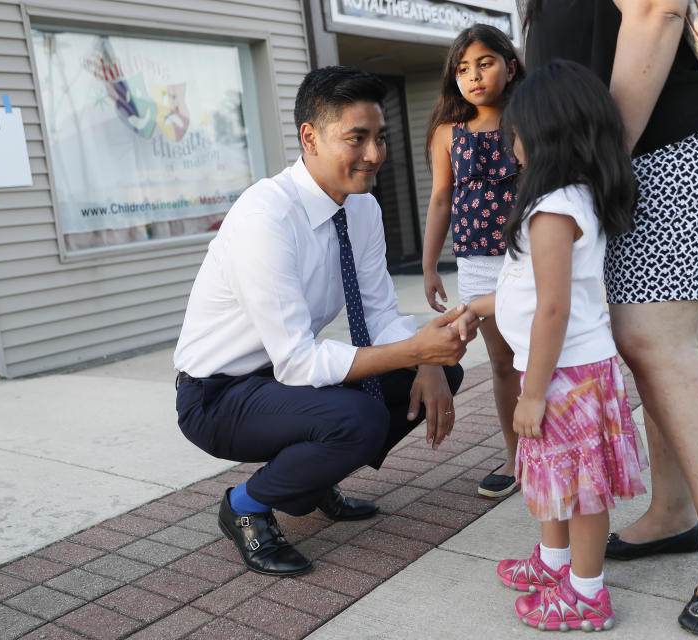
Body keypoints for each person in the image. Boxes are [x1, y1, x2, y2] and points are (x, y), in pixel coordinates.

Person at [523, 1, 698, 635]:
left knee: (653, 337)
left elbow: (656, 9)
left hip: (668, 136)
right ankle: (672, 512)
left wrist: (603, 161)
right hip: (627, 145)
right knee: (641, 342)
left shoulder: (620, 148)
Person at [173, 66, 480, 577]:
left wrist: (428, 357)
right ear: (309, 138)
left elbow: (380, 313)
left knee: (438, 375)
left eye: (379, 137)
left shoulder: (361, 208)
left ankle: (309, 484)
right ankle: (246, 506)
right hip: (216, 395)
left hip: (274, 380)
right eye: (356, 138)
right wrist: (416, 350)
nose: (375, 154)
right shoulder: (265, 215)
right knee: (355, 419)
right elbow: (297, 361)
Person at [459, 59, 645, 631]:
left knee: (582, 491)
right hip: (568, 371)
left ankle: (587, 594)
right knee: (556, 480)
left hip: (564, 375)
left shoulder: (553, 208)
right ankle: (553, 563)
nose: (510, 143)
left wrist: (531, 393)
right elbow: (528, 289)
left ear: (542, 134)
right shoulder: (568, 199)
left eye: (515, 132)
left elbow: (554, 308)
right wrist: (477, 308)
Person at [422, 24, 525, 499]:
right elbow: (441, 199)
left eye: (485, 63)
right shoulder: (449, 132)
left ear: (511, 65)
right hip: (478, 262)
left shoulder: (528, 120)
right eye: (463, 68)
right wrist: (429, 265)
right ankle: (515, 454)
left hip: (528, 254)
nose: (474, 76)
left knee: (543, 358)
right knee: (503, 363)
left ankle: (560, 447)